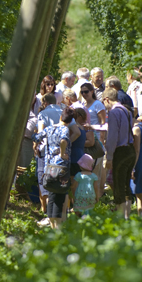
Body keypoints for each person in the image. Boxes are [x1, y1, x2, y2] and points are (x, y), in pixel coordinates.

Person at [32, 106, 74, 229]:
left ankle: (52, 225)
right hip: (61, 167)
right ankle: (58, 227)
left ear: (61, 117)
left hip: (49, 166)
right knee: (60, 195)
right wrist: (62, 153)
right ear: (70, 121)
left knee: (51, 195)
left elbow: (36, 137)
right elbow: (63, 141)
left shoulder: (50, 128)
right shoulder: (65, 130)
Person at [103, 88, 136, 218]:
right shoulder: (127, 111)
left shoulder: (113, 113)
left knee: (118, 185)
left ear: (106, 100)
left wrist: (109, 157)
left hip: (120, 151)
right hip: (130, 148)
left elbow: (112, 137)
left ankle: (121, 218)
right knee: (126, 184)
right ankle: (127, 214)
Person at [35, 94, 64, 224]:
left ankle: (48, 215)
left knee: (45, 181)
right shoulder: (63, 112)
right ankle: (61, 215)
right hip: (62, 153)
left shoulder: (43, 114)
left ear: (45, 102)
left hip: (46, 152)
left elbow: (40, 133)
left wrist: (36, 145)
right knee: (60, 183)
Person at [71, 153, 98, 218]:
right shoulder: (93, 176)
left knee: (78, 209)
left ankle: (79, 220)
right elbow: (96, 187)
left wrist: (73, 196)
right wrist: (97, 197)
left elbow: (73, 186)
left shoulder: (78, 175)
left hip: (79, 195)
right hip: (91, 195)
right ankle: (88, 220)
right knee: (89, 209)